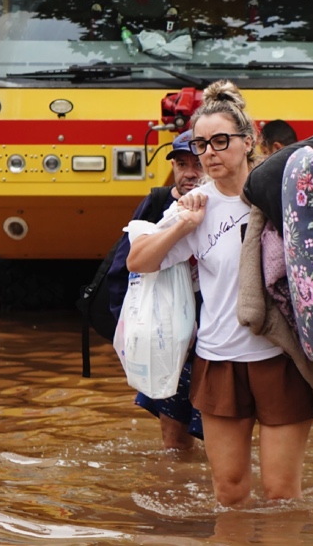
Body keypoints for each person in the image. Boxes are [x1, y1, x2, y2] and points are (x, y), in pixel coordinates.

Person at [127, 80, 313, 507]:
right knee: (229, 492)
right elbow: (137, 260)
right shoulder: (194, 205)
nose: (209, 152)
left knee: (281, 494)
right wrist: (182, 227)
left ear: (248, 141)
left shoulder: (279, 191)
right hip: (219, 361)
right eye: (201, 144)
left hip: (280, 357)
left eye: (220, 141)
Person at [107, 130, 204, 450]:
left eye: (197, 163)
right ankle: (176, 489)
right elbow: (124, 268)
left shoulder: (230, 205)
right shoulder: (159, 202)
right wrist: (131, 329)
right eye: (181, 164)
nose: (189, 172)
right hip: (168, 337)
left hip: (215, 336)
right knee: (174, 439)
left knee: (222, 433)